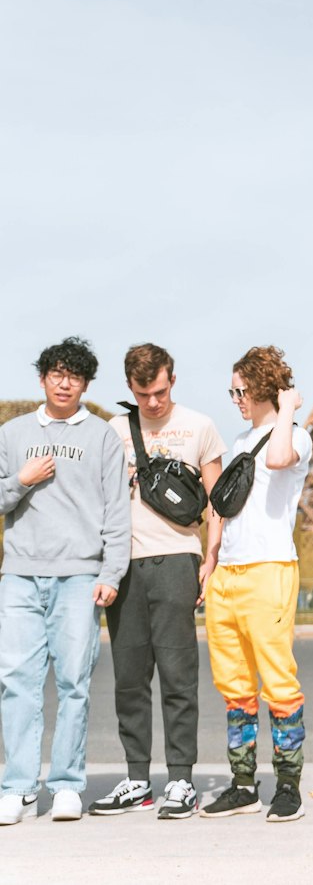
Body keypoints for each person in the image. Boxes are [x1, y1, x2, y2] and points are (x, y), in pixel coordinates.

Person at [89, 343, 226, 819]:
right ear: (130, 388)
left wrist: (211, 559)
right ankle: (136, 779)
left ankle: (182, 781)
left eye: (161, 391)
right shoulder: (111, 431)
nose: (153, 402)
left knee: (177, 676)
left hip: (176, 560)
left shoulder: (200, 426)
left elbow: (218, 502)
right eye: (144, 393)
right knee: (128, 679)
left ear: (173, 379)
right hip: (123, 565)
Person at [0, 337, 130, 825]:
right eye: (56, 373)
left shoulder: (100, 437)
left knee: (75, 683)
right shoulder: (11, 433)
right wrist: (23, 479)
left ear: (85, 384)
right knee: (17, 684)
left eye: (74, 376)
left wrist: (111, 572)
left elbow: (117, 511)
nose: (64, 382)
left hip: (79, 576)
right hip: (19, 576)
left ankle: (68, 784)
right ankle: (17, 787)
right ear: (42, 378)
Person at [202, 346, 312, 823]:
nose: (235, 399)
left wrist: (287, 408)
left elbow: (280, 458)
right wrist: (210, 560)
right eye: (232, 391)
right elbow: (221, 506)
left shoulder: (295, 435)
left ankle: (288, 787)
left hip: (270, 570)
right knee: (235, 687)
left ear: (266, 389)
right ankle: (243, 784)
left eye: (242, 391)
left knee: (279, 684)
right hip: (227, 572)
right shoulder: (240, 438)